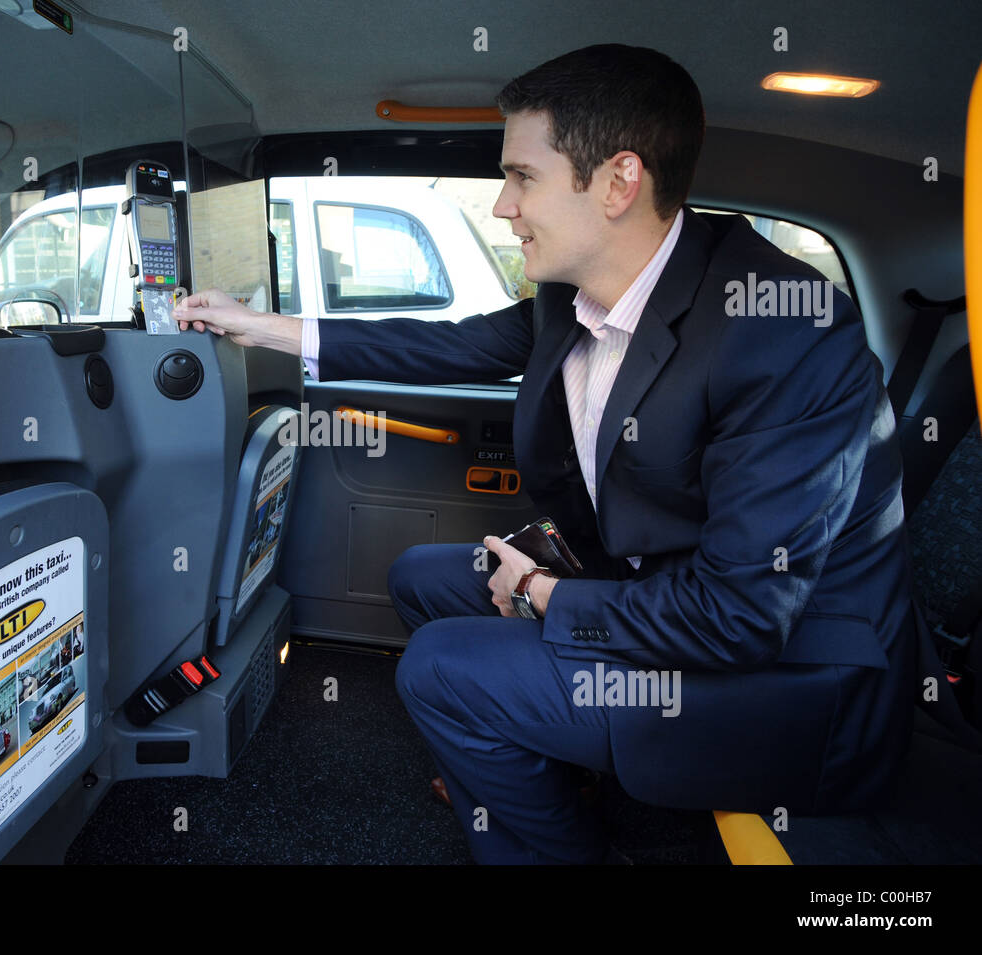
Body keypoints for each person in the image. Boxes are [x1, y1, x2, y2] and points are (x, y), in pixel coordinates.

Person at [173, 43, 917, 864]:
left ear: (617, 182)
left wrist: (541, 591)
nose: (502, 206)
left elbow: (740, 618)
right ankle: (540, 787)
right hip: (675, 592)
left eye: (522, 176)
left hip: (787, 682)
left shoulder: (784, 331)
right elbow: (448, 348)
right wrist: (262, 328)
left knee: (438, 668)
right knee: (420, 576)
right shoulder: (574, 293)